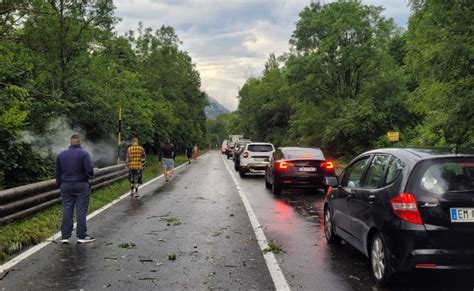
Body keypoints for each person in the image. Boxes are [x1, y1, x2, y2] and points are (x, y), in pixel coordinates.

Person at [55, 134, 95, 244]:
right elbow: (90, 170)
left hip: (65, 185)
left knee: (67, 210)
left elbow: (57, 173)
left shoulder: (61, 155)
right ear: (80, 142)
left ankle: (65, 237)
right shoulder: (84, 154)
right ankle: (81, 236)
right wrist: (90, 175)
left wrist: (60, 184)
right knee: (81, 211)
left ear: (70, 142)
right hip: (81, 184)